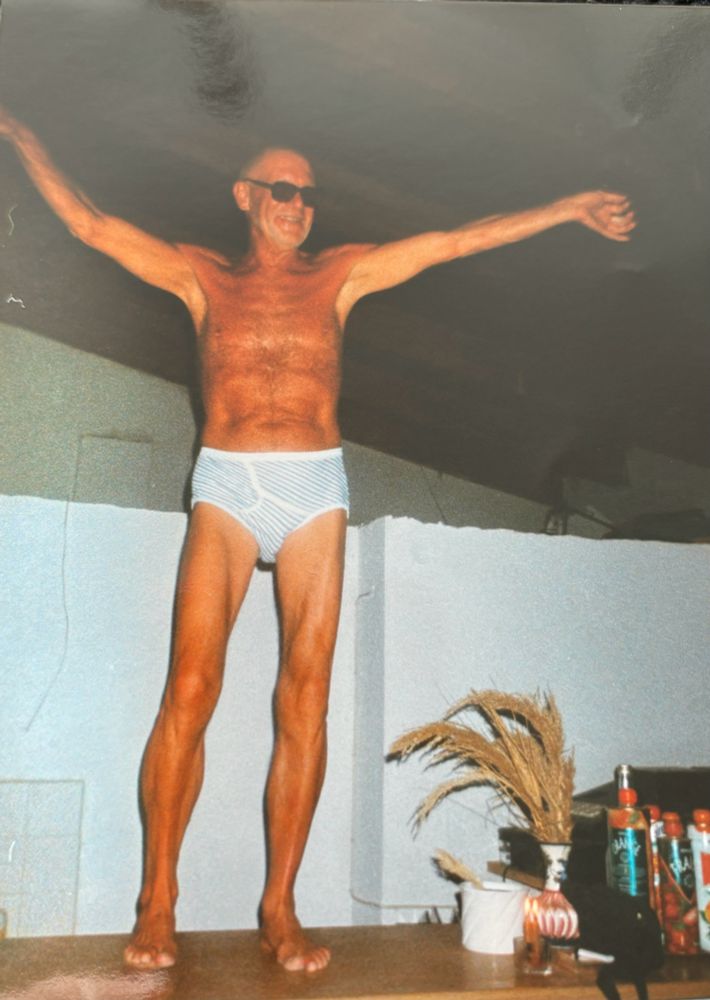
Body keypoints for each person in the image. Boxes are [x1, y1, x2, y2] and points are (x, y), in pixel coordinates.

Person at [0, 106, 635, 972]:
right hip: (226, 482)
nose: (300, 205)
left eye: (309, 194)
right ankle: (157, 897)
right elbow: (87, 220)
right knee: (190, 687)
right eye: (283, 190)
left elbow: (452, 242)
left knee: (304, 700)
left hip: (313, 488)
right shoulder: (201, 276)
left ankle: (280, 906)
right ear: (245, 196)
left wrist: (564, 208)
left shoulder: (339, 273)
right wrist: (19, 129)